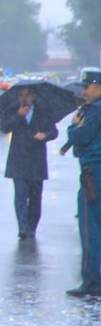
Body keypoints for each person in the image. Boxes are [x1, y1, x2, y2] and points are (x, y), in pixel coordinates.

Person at [0, 85, 58, 240]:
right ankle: (23, 227)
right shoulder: (13, 111)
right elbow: (4, 128)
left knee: (35, 196)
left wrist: (44, 135)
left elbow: (54, 132)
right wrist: (18, 115)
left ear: (33, 96)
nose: (24, 98)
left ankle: (32, 226)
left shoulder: (43, 112)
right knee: (20, 196)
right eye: (21, 95)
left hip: (36, 161)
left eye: (27, 95)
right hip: (18, 160)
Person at [66, 68, 101, 297]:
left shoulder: (93, 111)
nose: (84, 91)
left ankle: (91, 281)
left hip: (93, 174)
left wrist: (72, 126)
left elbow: (78, 138)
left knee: (90, 227)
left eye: (87, 87)